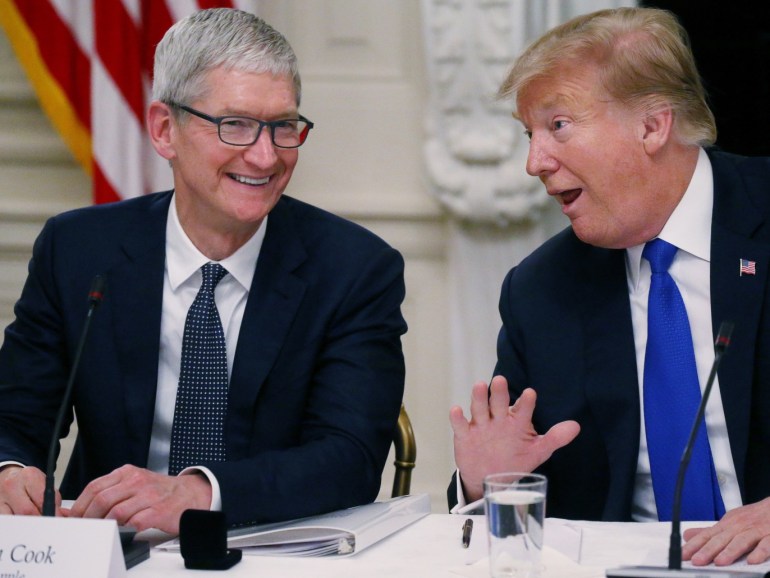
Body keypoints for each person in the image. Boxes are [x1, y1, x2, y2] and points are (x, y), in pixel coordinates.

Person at [0, 8, 407, 535]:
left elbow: (349, 457)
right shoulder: (77, 250)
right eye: (235, 125)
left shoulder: (354, 269)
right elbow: (16, 414)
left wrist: (199, 493)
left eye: (283, 127)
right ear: (166, 130)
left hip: (263, 547)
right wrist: (10, 470)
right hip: (109, 547)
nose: (265, 157)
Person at [449, 6, 770, 567]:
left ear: (652, 125)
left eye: (558, 126)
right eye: (530, 133)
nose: (534, 162)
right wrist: (485, 487)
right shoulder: (540, 290)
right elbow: (529, 498)